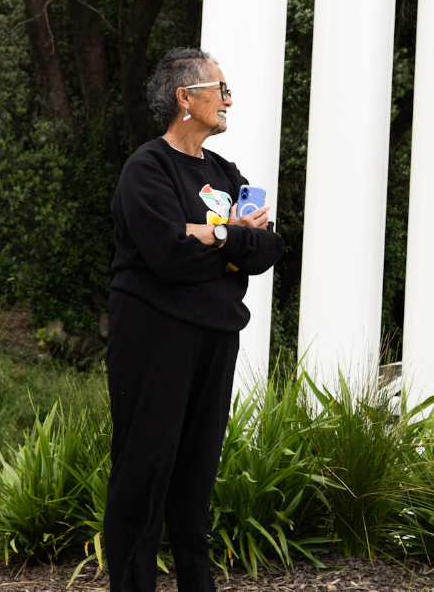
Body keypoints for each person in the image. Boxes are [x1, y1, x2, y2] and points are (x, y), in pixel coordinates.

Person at [105, 47, 285, 592]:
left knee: (197, 473)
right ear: (187, 98)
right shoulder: (148, 167)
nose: (228, 100)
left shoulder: (224, 172)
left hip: (215, 335)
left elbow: (267, 247)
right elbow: (166, 253)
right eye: (220, 90)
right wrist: (229, 236)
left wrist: (214, 234)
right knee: (147, 469)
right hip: (154, 336)